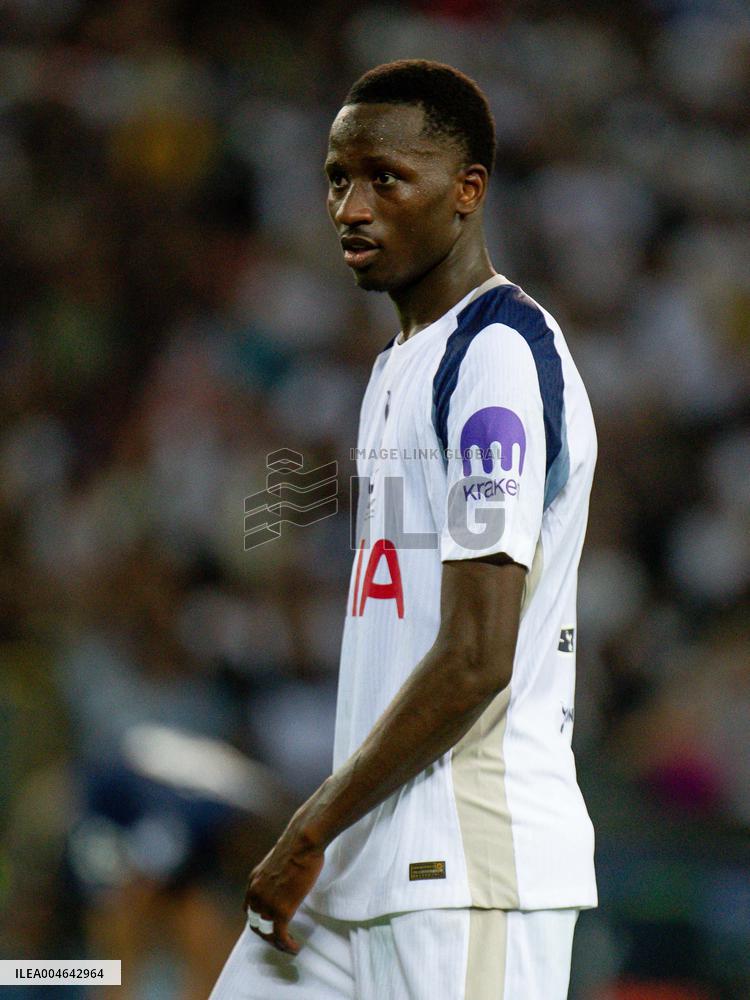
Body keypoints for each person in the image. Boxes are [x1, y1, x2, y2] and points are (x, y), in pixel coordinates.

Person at [211, 59, 597, 999]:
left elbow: (477, 655)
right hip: (362, 860)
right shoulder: (401, 363)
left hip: (464, 864)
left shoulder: (495, 357)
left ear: (468, 192)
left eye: (387, 178)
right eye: (338, 179)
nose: (351, 206)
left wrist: (308, 828)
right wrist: (329, 836)